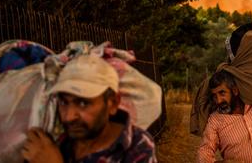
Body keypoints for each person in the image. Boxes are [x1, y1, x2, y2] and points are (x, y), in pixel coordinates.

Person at [21, 54, 157, 163]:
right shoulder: (55, 137)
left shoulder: (137, 147)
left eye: (82, 104)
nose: (68, 117)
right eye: (64, 102)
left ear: (113, 103)